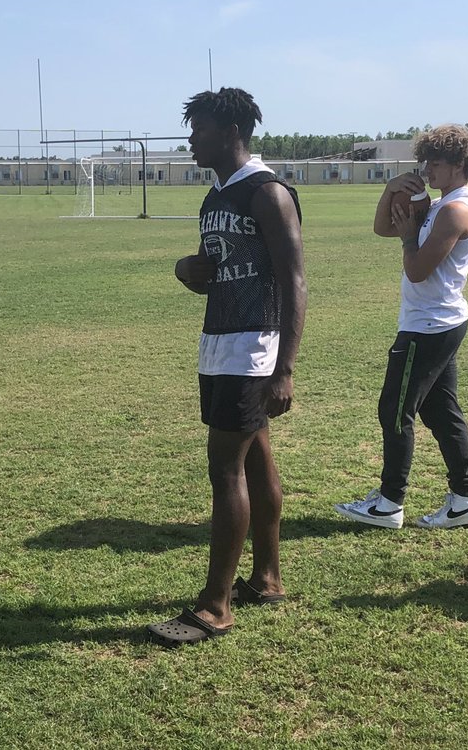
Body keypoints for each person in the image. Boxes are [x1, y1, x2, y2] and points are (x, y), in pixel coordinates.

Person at [147, 88, 306, 647]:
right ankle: (266, 579)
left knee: (226, 472)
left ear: (231, 132)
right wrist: (188, 270)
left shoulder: (267, 193)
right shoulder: (217, 196)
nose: (192, 140)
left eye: (201, 131)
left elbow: (294, 281)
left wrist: (284, 367)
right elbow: (219, 272)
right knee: (256, 461)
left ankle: (214, 607)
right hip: (219, 341)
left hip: (253, 348)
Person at [335, 125, 468, 530]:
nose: (426, 169)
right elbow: (382, 228)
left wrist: (408, 239)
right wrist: (389, 191)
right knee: (441, 413)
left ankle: (388, 503)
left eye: (434, 162)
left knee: (395, 409)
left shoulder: (456, 210)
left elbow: (418, 270)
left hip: (429, 326)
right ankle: (464, 501)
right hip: (438, 321)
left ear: (458, 164)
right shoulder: (442, 204)